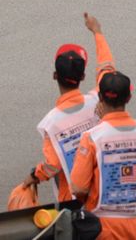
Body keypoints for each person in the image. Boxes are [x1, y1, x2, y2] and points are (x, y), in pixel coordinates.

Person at [69, 16, 136, 239]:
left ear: (99, 97)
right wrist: (98, 33)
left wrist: (96, 32)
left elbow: (78, 187)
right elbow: (107, 67)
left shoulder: (92, 138)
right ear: (129, 97)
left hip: (104, 230)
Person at [21, 42, 100, 205]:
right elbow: (108, 73)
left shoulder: (51, 122)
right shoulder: (97, 101)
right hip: (101, 189)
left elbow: (53, 165)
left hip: (74, 199)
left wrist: (34, 176)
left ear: (55, 75)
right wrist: (97, 33)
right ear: (83, 77)